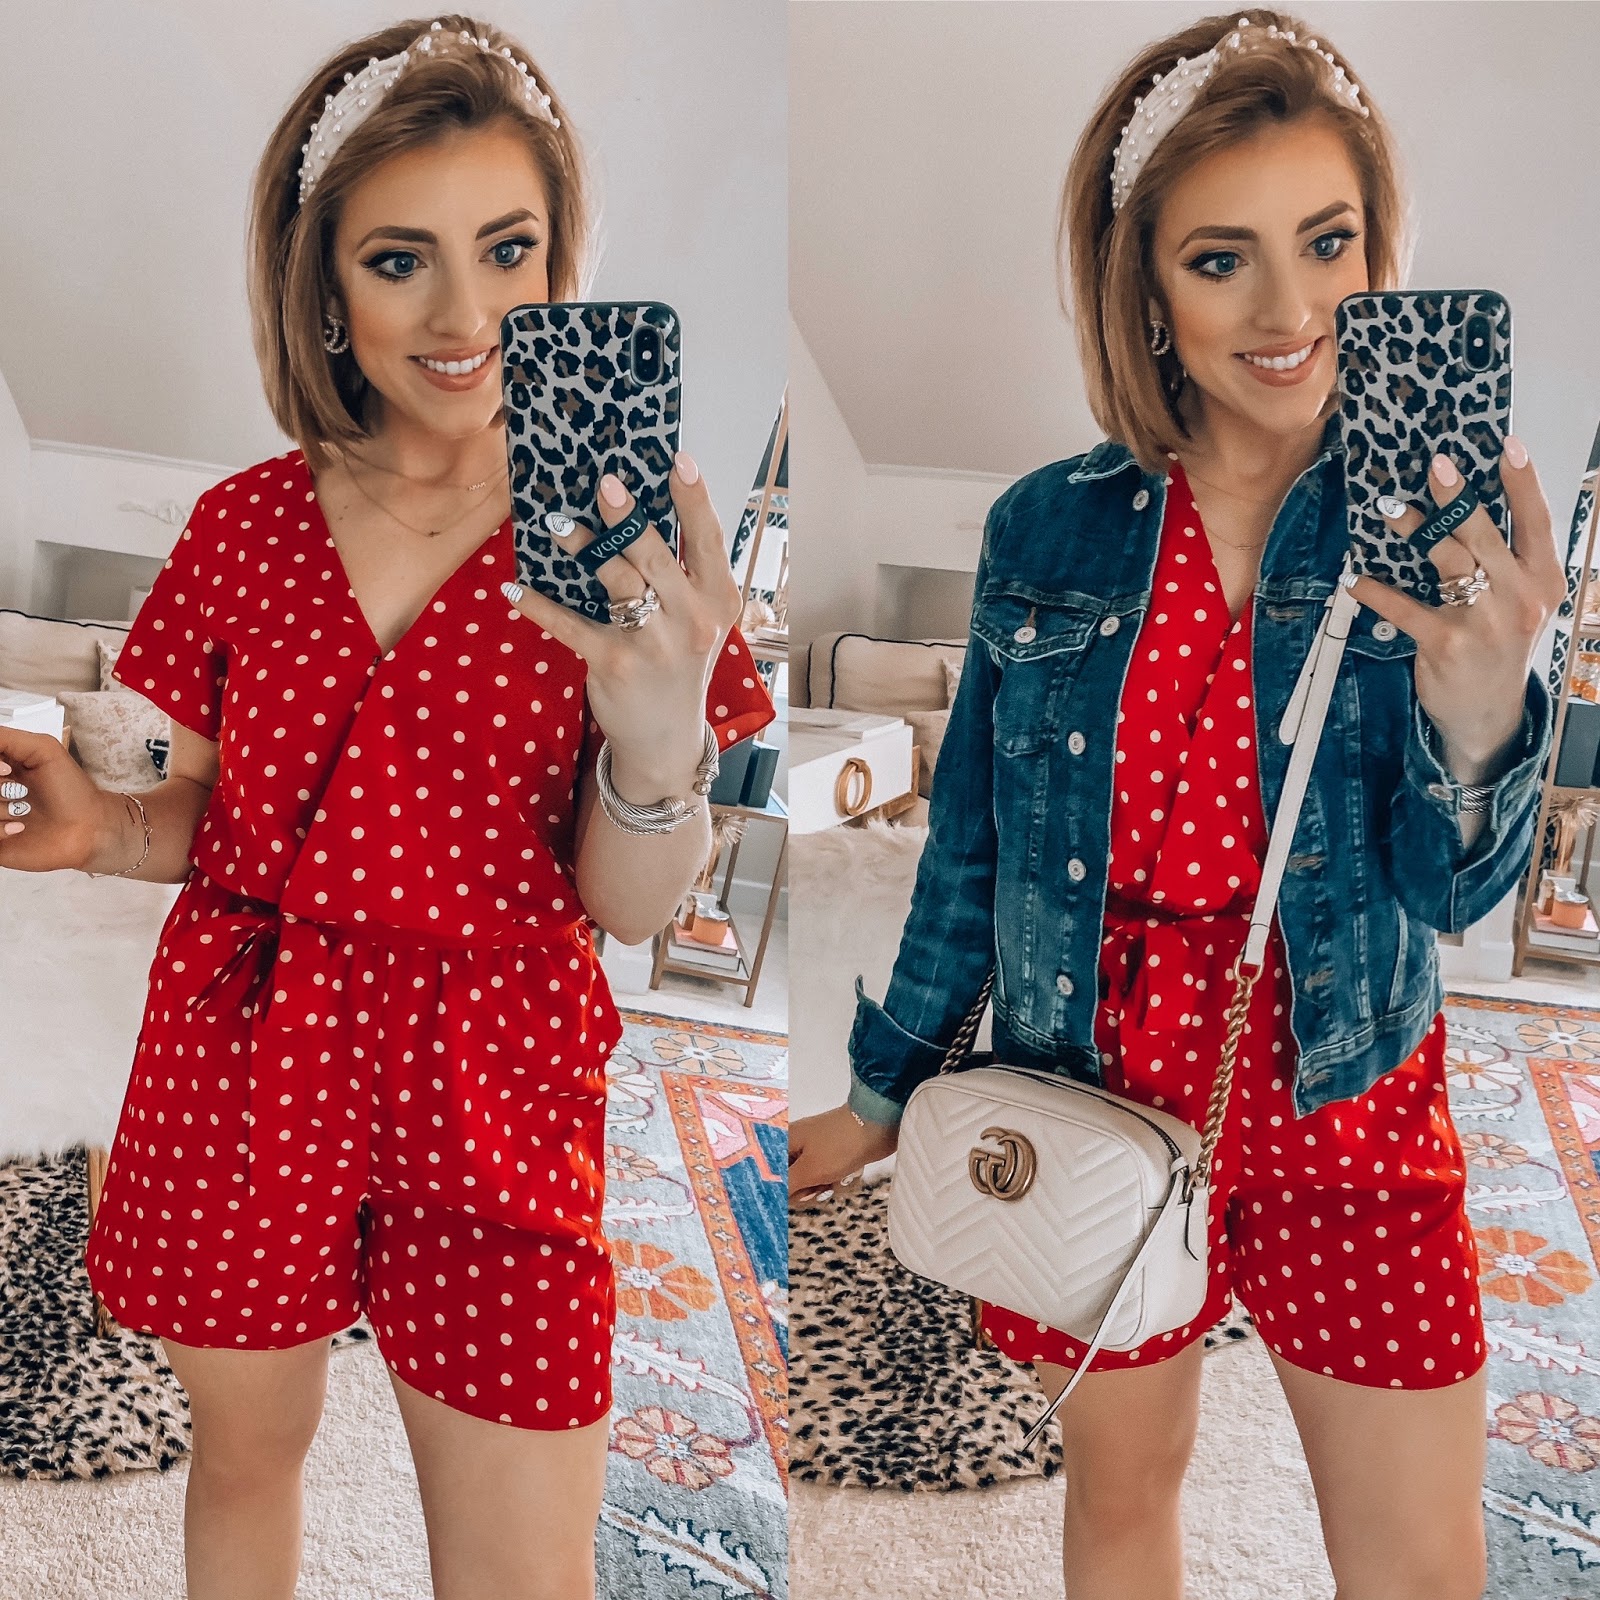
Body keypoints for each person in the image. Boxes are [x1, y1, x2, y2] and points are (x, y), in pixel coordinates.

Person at [788, 10, 1563, 1599]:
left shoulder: (1433, 534)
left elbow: (1447, 893)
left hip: (1347, 1089)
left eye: (1329, 242)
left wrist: (1486, 706)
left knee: (1423, 1563)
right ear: (1143, 282)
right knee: (1123, 1500)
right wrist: (881, 1093)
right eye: (1222, 259)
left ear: (1382, 249)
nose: (1291, 312)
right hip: (1087, 1076)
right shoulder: (1047, 532)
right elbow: (971, 851)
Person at [0, 17, 772, 1600]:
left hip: (499, 1071)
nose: (465, 314)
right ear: (327, 290)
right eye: (401, 260)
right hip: (248, 1050)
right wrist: (102, 830)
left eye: (509, 249)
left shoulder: (622, 552)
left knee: (522, 1568)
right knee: (245, 1463)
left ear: (562, 260)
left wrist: (652, 742)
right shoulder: (242, 527)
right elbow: (206, 822)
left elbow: (630, 908)